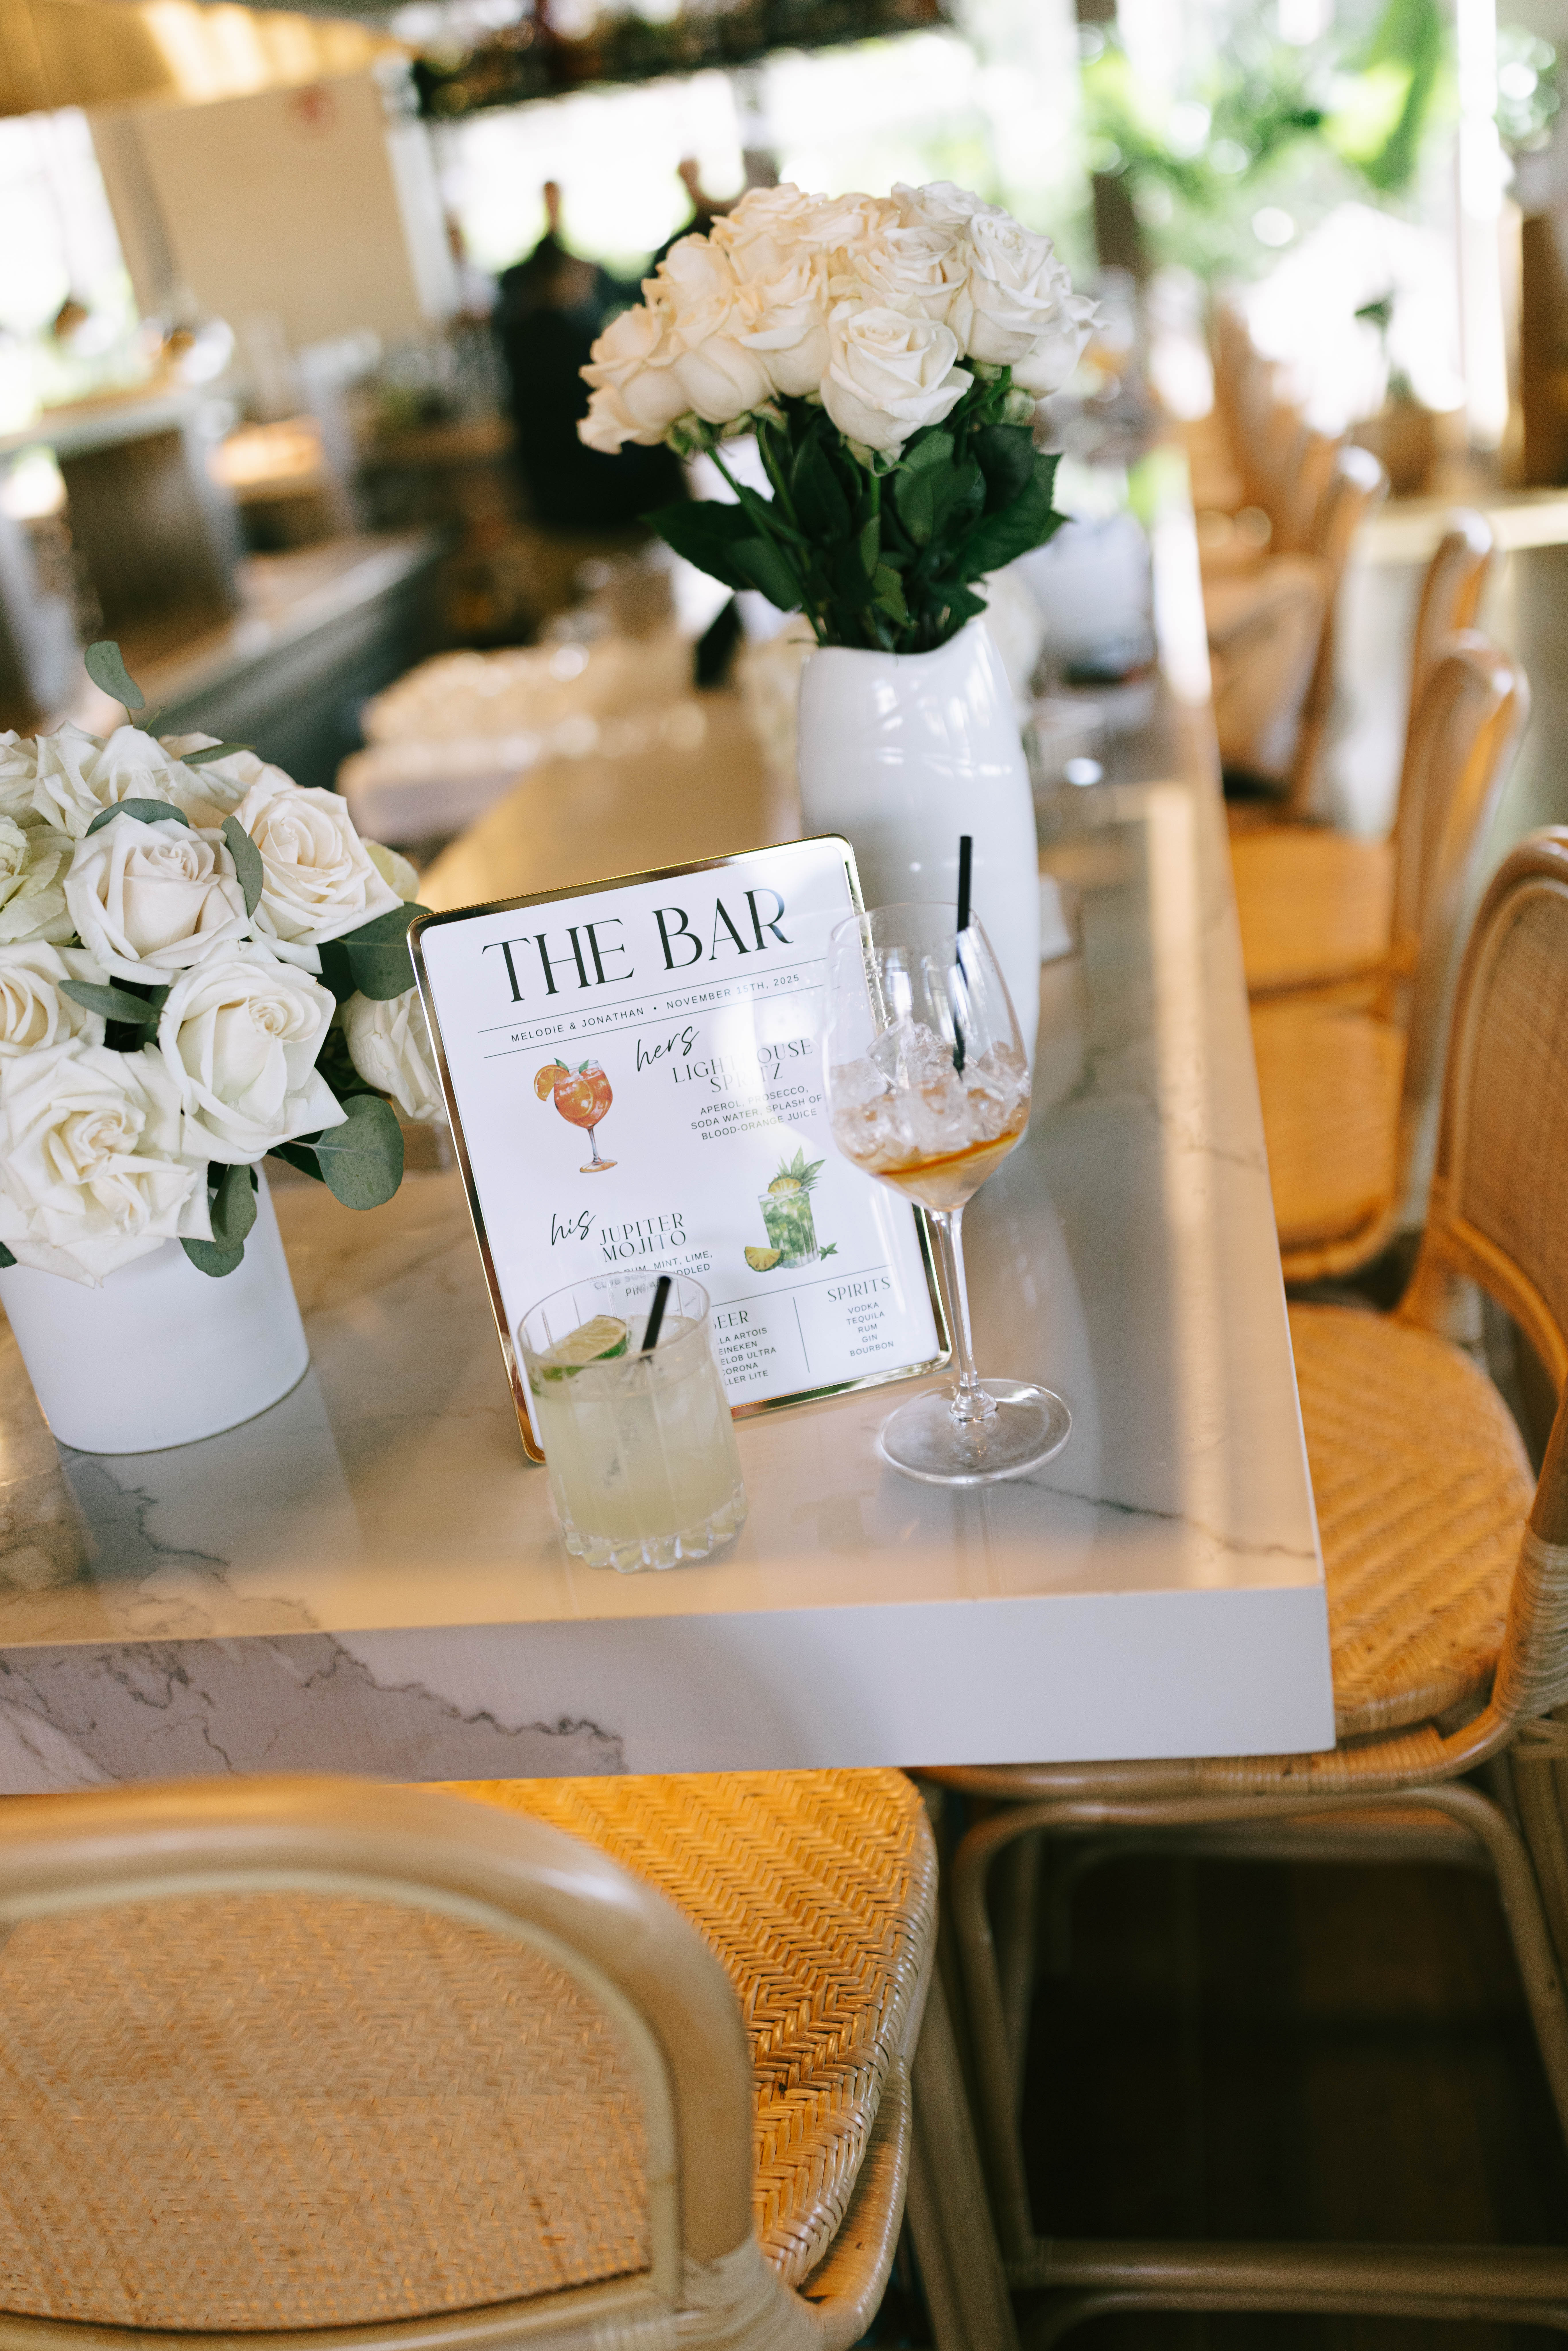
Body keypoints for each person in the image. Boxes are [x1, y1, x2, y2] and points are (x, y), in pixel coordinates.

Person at [494, 181, 684, 538]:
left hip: (550, 499)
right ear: (563, 280)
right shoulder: (576, 344)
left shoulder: (520, 339)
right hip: (598, 501)